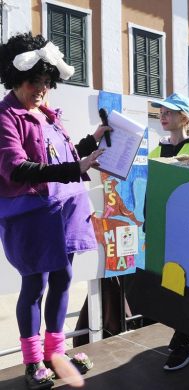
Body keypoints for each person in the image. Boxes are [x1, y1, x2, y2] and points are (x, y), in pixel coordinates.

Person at [0, 33, 109, 389]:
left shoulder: (47, 115)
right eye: (35, 81)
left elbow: (61, 160)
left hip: (64, 210)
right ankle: (33, 363)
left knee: (62, 279)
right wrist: (73, 169)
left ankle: (55, 353)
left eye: (47, 83)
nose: (42, 89)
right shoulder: (6, 117)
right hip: (32, 215)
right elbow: (17, 168)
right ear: (16, 77)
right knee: (35, 284)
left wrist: (91, 141)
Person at [148, 92, 189, 371]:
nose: (162, 115)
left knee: (184, 286)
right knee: (167, 286)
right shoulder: (158, 149)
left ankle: (183, 341)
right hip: (161, 226)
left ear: (184, 117)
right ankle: (181, 335)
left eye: (169, 111)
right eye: (161, 111)